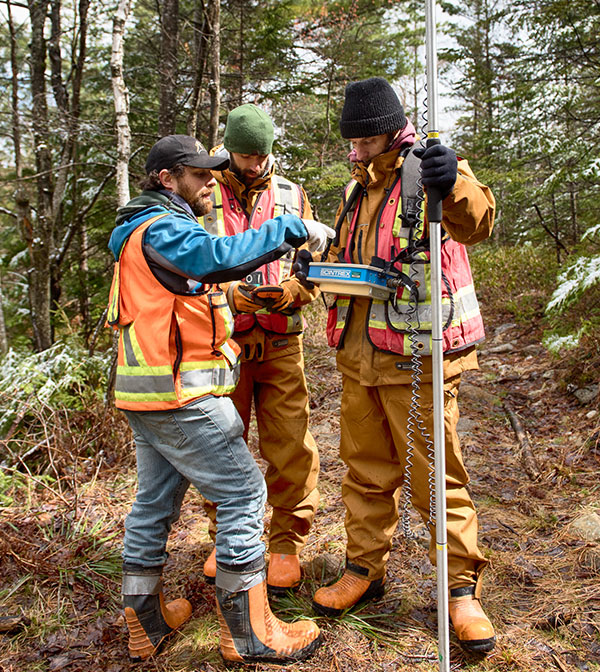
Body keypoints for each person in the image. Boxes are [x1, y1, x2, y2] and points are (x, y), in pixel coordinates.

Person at [107, 134, 333, 664]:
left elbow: (201, 284)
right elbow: (215, 258)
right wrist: (293, 228)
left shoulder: (141, 230)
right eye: (199, 173)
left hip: (147, 394)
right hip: (181, 394)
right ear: (168, 179)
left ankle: (146, 620)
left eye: (214, 171)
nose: (211, 180)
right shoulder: (161, 227)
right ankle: (250, 631)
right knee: (245, 495)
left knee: (153, 504)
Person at [302, 78, 496, 655]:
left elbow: (479, 222)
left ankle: (460, 591)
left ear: (388, 130)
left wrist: (453, 180)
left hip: (420, 358)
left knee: (437, 479)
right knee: (364, 471)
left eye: (362, 141)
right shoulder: (354, 190)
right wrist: (315, 264)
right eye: (350, 142)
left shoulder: (429, 169)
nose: (353, 151)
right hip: (358, 358)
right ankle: (363, 570)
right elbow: (349, 258)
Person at [197, 104, 320, 595]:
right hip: (222, 343)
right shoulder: (201, 190)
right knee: (222, 447)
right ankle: (225, 538)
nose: (254, 164)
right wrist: (231, 295)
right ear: (229, 149)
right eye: (244, 155)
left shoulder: (292, 195)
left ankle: (286, 544)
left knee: (290, 444)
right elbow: (185, 266)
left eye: (261, 155)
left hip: (282, 342)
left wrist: (295, 291)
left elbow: (315, 258)